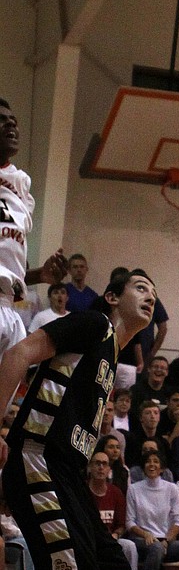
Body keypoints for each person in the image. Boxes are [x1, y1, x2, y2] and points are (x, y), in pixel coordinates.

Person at [0, 267, 156, 570]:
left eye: (154, 292)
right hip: (37, 459)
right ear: (111, 297)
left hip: (66, 470)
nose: (150, 296)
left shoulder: (111, 353)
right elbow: (18, 353)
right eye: (140, 287)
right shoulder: (93, 325)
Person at [0, 96, 66, 373]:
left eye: (13, 121)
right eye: (2, 121)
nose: (11, 126)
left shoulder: (22, 188)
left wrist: (39, 276)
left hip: (8, 307)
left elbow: (10, 269)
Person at [86, 451, 142, 570]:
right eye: (97, 463)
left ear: (109, 469)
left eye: (104, 463)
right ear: (90, 467)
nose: (101, 467)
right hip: (87, 540)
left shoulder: (116, 492)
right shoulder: (82, 491)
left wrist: (116, 535)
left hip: (110, 539)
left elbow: (121, 524)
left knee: (130, 546)